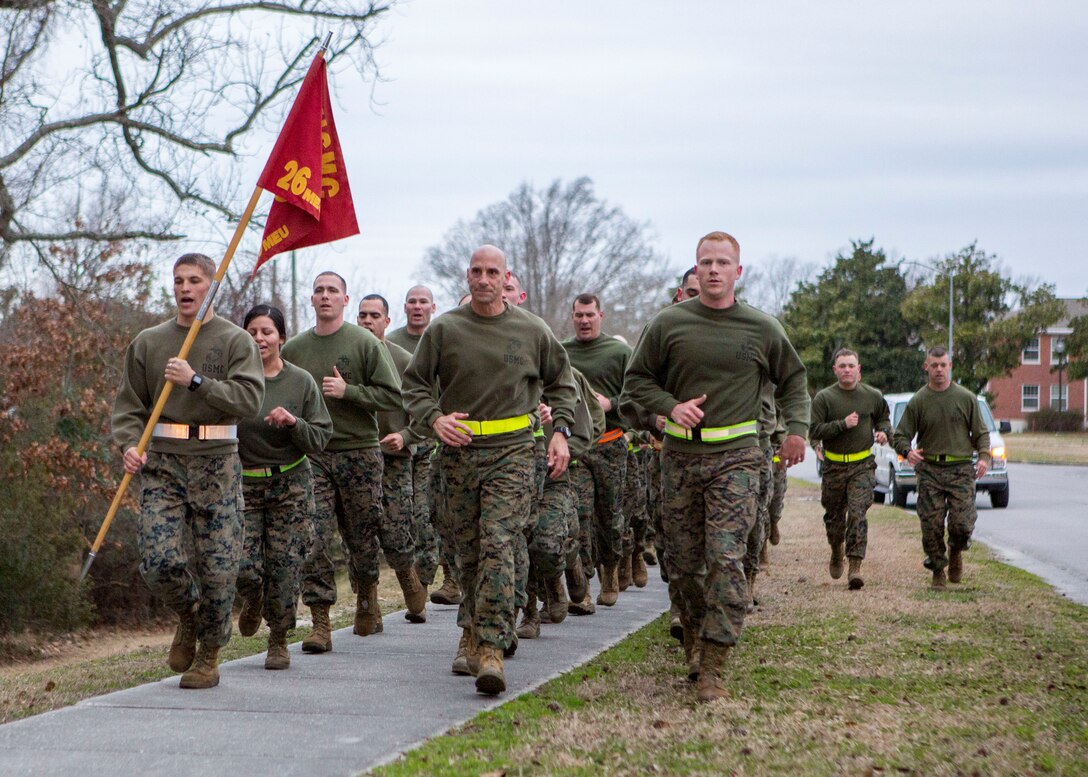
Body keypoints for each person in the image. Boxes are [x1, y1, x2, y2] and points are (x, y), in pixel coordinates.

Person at [623, 231, 810, 703]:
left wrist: (796, 431)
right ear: (695, 268)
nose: (712, 270)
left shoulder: (762, 328)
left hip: (739, 457)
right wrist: (670, 405)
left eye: (722, 263)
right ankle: (691, 633)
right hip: (681, 456)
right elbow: (636, 383)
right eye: (705, 262)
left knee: (726, 559)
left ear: (737, 272)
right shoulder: (668, 324)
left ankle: (713, 666)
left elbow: (793, 381)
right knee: (684, 567)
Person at [402, 245, 577, 695]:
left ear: (507, 278)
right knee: (469, 552)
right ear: (467, 276)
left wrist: (561, 432)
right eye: (476, 272)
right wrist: (434, 420)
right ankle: (471, 631)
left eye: (492, 272)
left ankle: (493, 647)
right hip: (460, 454)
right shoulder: (445, 330)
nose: (483, 279)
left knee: (499, 542)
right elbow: (415, 385)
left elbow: (563, 381)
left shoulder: (531, 329)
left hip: (515, 452)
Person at [112, 253, 264, 689]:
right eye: (178, 280)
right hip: (163, 462)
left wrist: (197, 381)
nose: (185, 288)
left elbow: (249, 401)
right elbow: (129, 407)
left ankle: (210, 654)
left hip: (217, 462)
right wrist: (129, 445)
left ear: (211, 286)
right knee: (158, 561)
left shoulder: (236, 341)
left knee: (220, 568)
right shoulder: (149, 341)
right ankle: (189, 614)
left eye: (195, 280)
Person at [281, 272, 402, 652]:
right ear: (311, 299)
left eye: (333, 291)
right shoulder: (296, 349)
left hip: (360, 452)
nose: (325, 296)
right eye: (319, 290)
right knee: (311, 535)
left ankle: (367, 597)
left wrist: (348, 391)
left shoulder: (364, 342)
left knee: (362, 534)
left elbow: (392, 396)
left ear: (345, 300)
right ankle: (320, 621)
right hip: (313, 454)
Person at [235, 305, 333, 669]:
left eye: (266, 332)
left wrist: (294, 423)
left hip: (289, 484)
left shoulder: (300, 381)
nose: (259, 339)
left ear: (281, 338)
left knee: (285, 566)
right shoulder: (237, 379)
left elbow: (321, 436)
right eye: (252, 332)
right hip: (243, 484)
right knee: (243, 565)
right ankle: (253, 596)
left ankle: (278, 639)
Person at [357, 294, 429, 625]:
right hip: (355, 455)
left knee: (398, 529)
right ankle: (368, 604)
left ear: (387, 321)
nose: (367, 321)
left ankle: (409, 580)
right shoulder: (349, 356)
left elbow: (425, 410)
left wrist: (407, 436)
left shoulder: (402, 359)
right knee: (361, 533)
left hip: (395, 456)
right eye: (362, 315)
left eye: (374, 315)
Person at [892, 346, 990, 589]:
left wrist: (985, 458)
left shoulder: (965, 398)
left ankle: (956, 549)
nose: (938, 370)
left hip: (960, 469)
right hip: (930, 471)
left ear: (950, 366)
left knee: (962, 523)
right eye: (934, 365)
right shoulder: (919, 401)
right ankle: (937, 569)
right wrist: (907, 452)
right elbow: (901, 435)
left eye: (943, 365)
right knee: (932, 524)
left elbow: (981, 432)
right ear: (926, 367)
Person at [562, 294, 631, 606]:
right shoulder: (562, 353)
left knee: (611, 515)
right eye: (579, 315)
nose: (584, 321)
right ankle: (584, 584)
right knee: (580, 515)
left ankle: (611, 571)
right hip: (578, 447)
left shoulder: (619, 352)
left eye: (590, 314)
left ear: (601, 315)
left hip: (611, 444)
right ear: (572, 316)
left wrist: (611, 403)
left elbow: (638, 396)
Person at [809, 348, 892, 590]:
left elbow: (884, 419)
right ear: (835, 370)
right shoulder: (824, 398)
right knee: (834, 520)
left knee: (857, 513)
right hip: (834, 465)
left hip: (862, 465)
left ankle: (855, 567)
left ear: (859, 369)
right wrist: (841, 425)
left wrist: (884, 433)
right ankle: (837, 550)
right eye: (842, 366)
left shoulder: (872, 396)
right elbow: (813, 431)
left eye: (851, 365)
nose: (847, 369)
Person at [387, 285, 437, 353]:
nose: (417, 306)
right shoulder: (390, 343)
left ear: (433, 308)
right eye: (412, 302)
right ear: (405, 308)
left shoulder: (443, 341)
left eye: (423, 302)